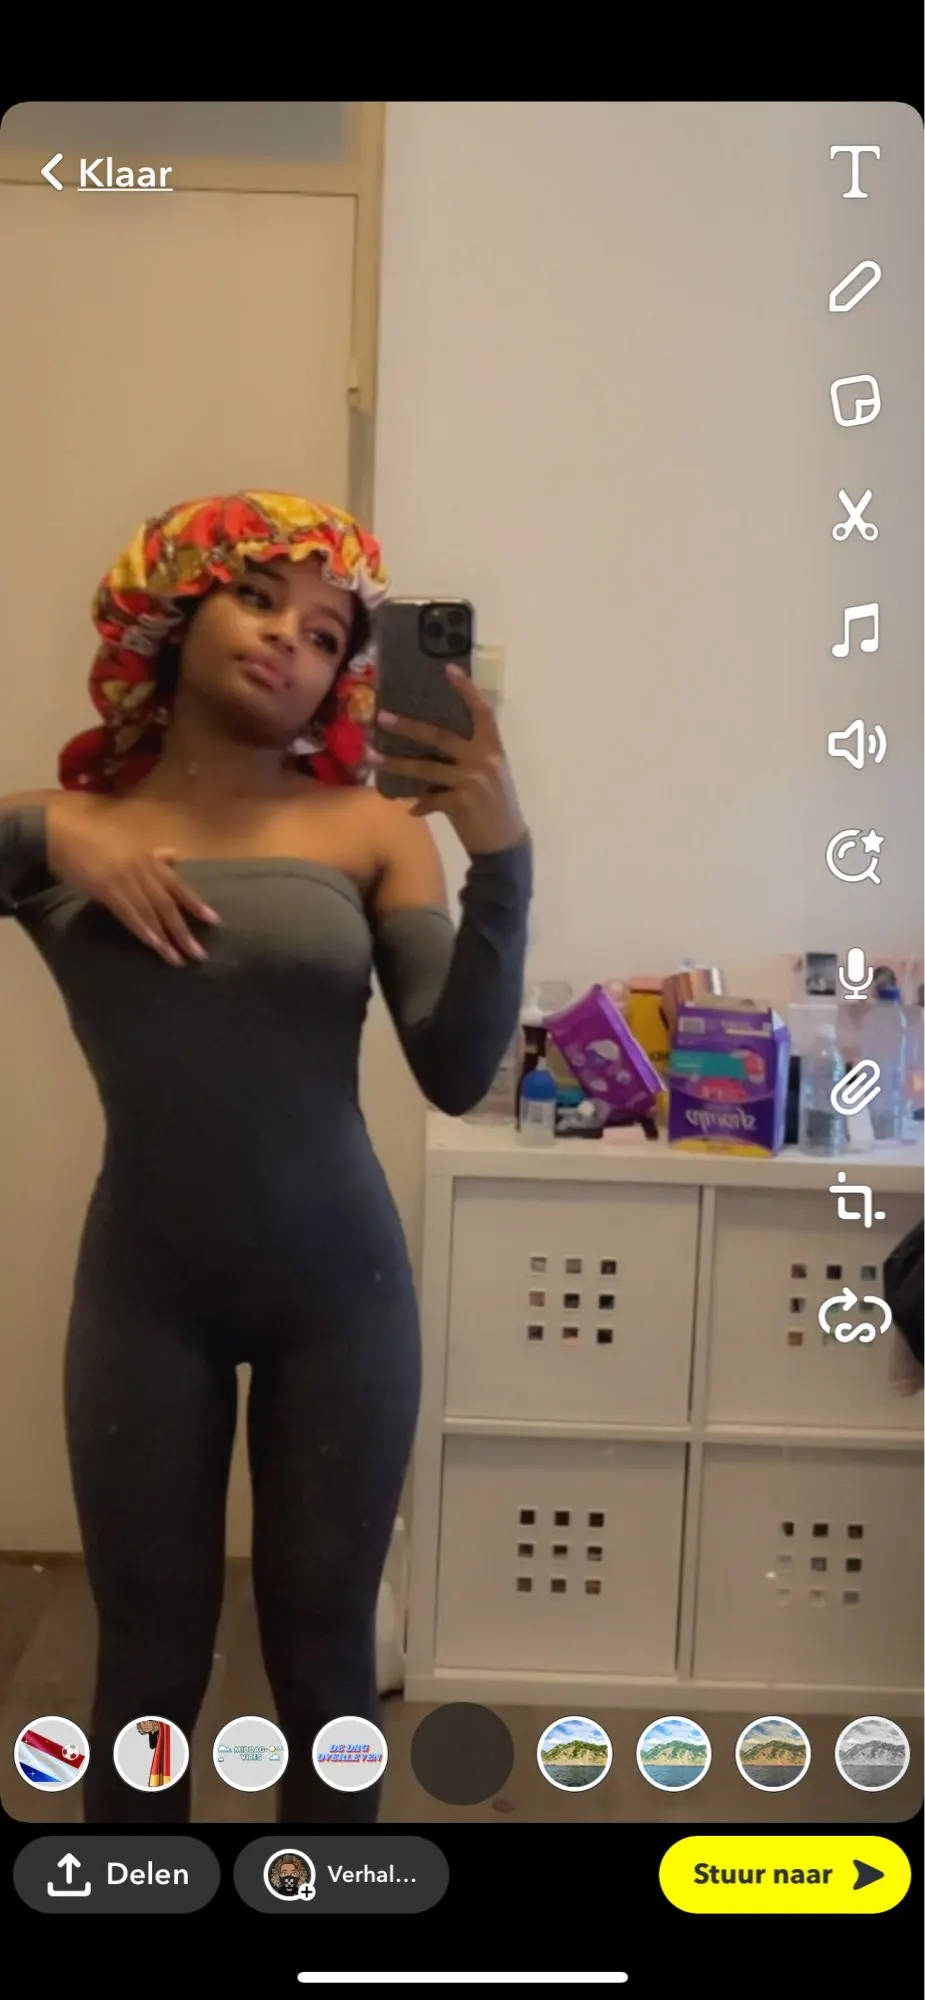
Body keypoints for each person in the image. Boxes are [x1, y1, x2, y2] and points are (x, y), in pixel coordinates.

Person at [0, 491, 532, 1824]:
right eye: (257, 597)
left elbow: (454, 1065)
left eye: (326, 630)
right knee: (146, 1663)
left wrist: (504, 861)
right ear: (177, 609)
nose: (291, 636)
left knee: (327, 1664)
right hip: (145, 1299)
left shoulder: (370, 831)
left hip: (340, 1297)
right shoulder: (63, 830)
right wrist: (53, 833)